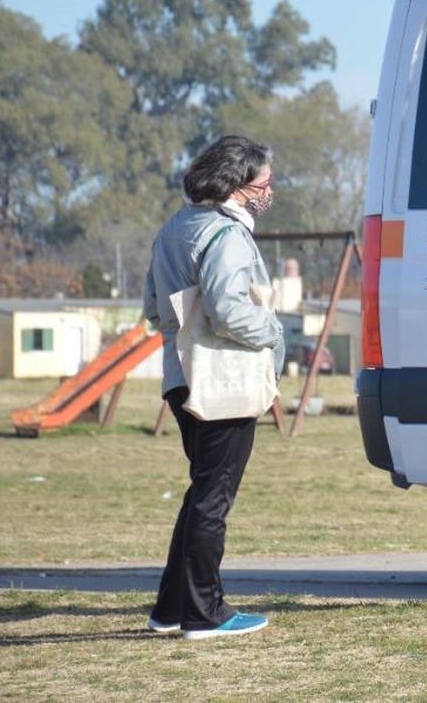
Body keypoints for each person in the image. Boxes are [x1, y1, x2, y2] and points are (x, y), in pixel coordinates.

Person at [142, 135, 284, 639]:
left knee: (201, 490)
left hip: (180, 377)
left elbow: (155, 309)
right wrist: (273, 329)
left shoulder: (174, 227)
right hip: (222, 382)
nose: (270, 191)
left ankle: (171, 608)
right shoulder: (226, 234)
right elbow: (227, 310)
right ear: (239, 186)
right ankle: (206, 612)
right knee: (213, 497)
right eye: (264, 183)